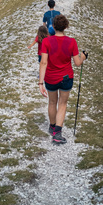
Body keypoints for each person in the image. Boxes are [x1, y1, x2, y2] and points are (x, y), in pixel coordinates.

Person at [38, 14, 87, 144]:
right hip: (66, 77)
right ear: (66, 27)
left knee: (52, 102)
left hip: (50, 78)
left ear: (53, 26)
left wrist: (40, 82)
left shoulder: (47, 41)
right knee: (62, 104)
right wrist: (83, 57)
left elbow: (43, 63)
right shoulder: (72, 42)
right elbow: (77, 63)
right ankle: (57, 134)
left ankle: (52, 126)